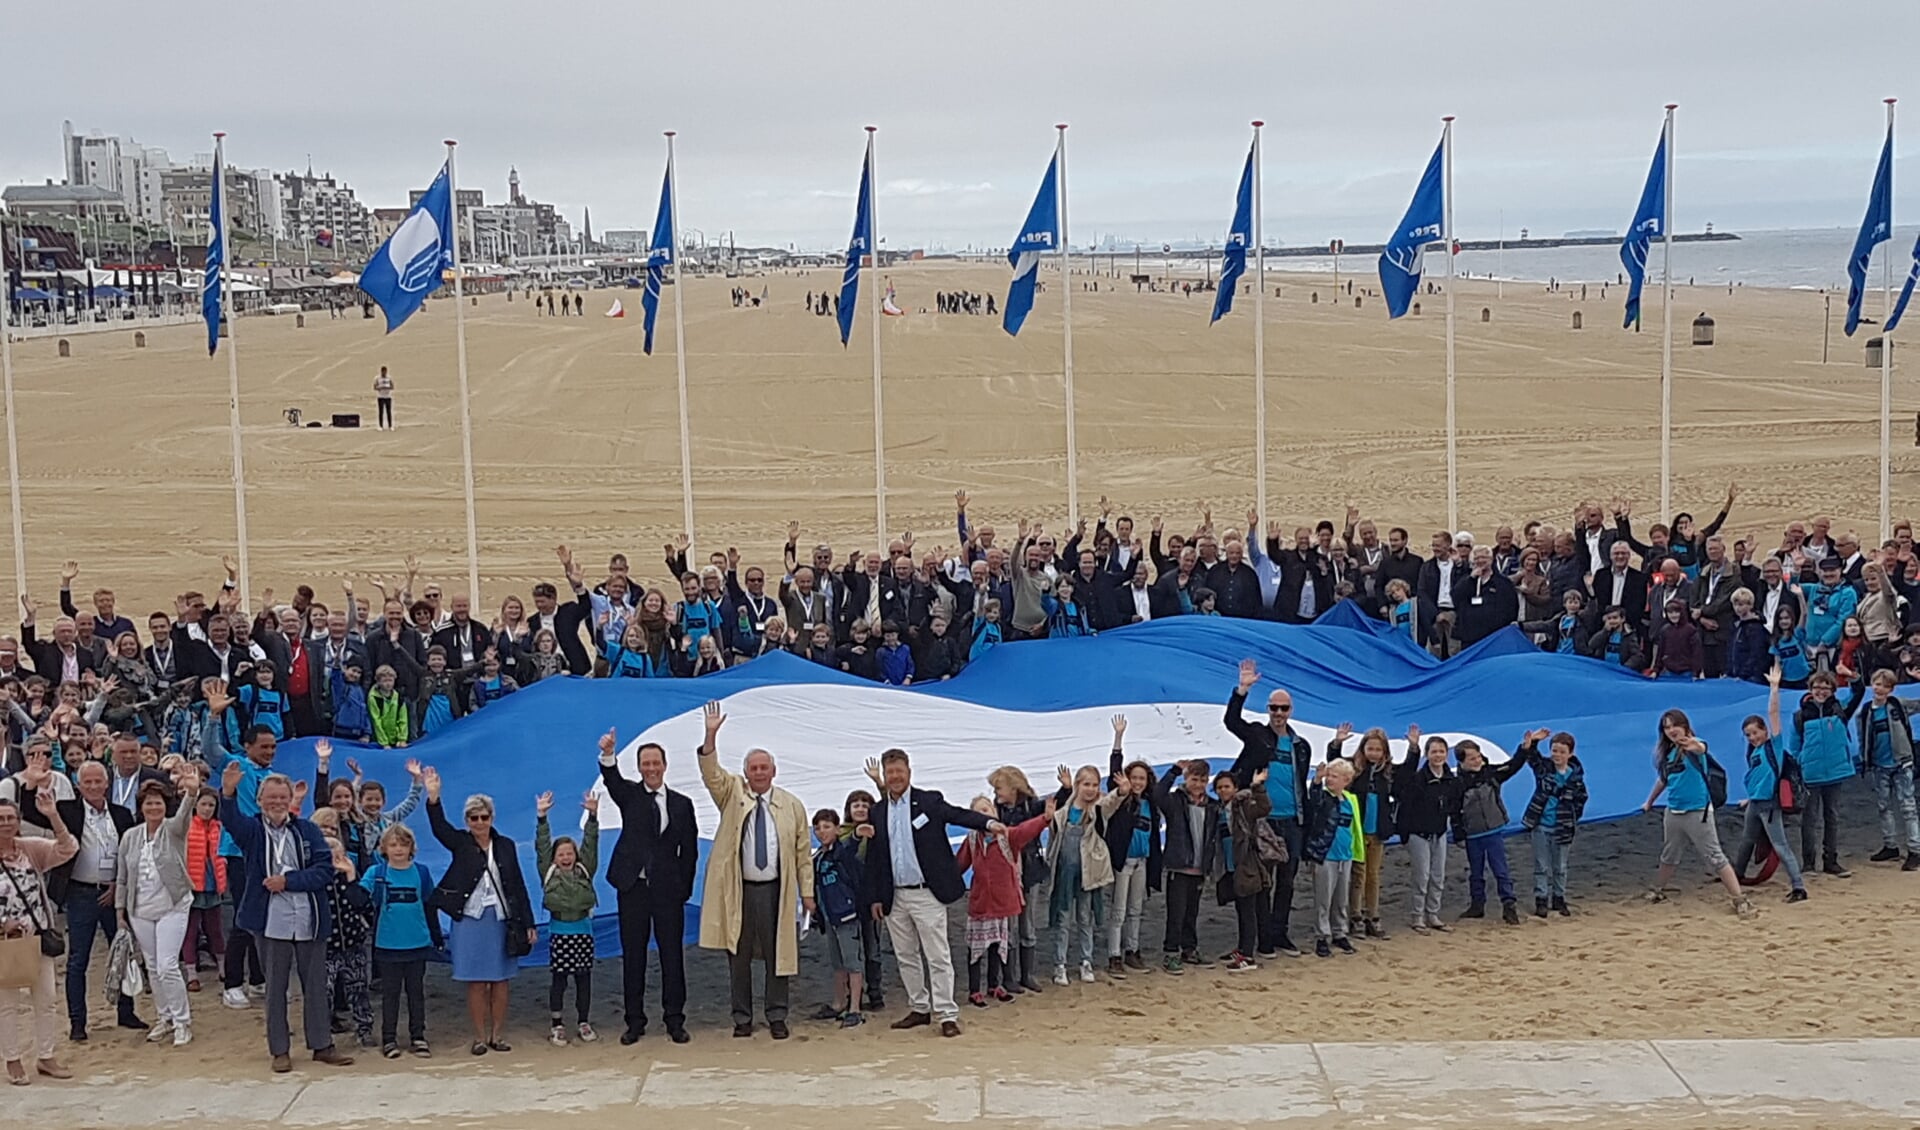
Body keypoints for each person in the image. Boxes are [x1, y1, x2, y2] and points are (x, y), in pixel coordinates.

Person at [218, 761, 355, 1072]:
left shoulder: (307, 829)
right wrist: (227, 792)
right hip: (270, 920)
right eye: (271, 797)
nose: (277, 802)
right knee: (275, 987)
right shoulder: (252, 830)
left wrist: (289, 881)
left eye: (282, 797)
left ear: (291, 800)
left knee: (316, 985)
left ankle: (322, 1045)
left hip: (309, 917)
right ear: (260, 800)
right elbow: (230, 820)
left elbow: (323, 870)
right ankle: (280, 1049)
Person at [859, 746, 1000, 1037]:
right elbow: (875, 858)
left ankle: (947, 1014)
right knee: (906, 955)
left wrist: (987, 822)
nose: (895, 777)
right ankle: (919, 1008)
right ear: (885, 776)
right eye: (890, 772)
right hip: (894, 896)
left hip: (927, 893)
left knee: (938, 955)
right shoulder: (878, 810)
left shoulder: (929, 801)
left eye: (899, 771)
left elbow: (958, 815)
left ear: (909, 772)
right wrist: (875, 896)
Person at [696, 702, 813, 1040]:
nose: (759, 773)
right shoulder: (733, 793)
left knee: (779, 954)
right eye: (754, 768)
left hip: (777, 889)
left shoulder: (792, 805)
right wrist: (710, 736)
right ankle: (742, 1018)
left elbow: (803, 854)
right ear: (746, 771)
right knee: (739, 955)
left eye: (764, 768)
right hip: (740, 889)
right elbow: (710, 774)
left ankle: (777, 1015)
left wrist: (807, 894)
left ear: (773, 771)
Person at [424, 768, 535, 1056]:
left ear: (492, 818)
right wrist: (433, 796)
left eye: (484, 817)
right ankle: (479, 1036)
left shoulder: (506, 845)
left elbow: (518, 885)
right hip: (470, 919)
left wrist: (529, 923)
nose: (479, 822)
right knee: (475, 981)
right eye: (474, 818)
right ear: (467, 820)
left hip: (500, 918)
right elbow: (439, 829)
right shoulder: (461, 843)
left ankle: (497, 1034)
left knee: (500, 979)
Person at [597, 729, 697, 1045]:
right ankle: (635, 1021)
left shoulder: (682, 804)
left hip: (668, 891)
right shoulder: (629, 796)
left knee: (672, 957)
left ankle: (674, 1020)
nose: (651, 768)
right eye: (645, 763)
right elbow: (612, 780)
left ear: (664, 765)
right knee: (634, 957)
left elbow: (690, 852)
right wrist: (609, 754)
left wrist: (684, 889)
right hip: (633, 888)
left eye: (656, 762)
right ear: (639, 767)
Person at [1225, 658, 1312, 958]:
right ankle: (1262, 940)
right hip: (1263, 821)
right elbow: (1231, 723)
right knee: (1262, 882)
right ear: (1267, 710)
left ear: (1291, 711)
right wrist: (1241, 690)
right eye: (1273, 708)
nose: (1278, 713)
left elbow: (1302, 784)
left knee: (1287, 882)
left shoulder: (1302, 745)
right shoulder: (1257, 735)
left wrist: (1306, 822)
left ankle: (1279, 934)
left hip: (1292, 820)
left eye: (1283, 708)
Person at [115, 772, 200, 1048]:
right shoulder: (130, 836)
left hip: (172, 905)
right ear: (141, 807)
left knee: (167, 965)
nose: (153, 808)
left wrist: (191, 792)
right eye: (149, 803)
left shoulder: (174, 830)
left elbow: (185, 815)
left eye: (159, 803)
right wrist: (120, 911)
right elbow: (122, 876)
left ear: (166, 806)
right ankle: (163, 1017)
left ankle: (182, 1020)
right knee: (152, 966)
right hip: (140, 908)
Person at [1642, 710, 1754, 916]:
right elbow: (1663, 779)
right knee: (1669, 854)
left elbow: (1701, 748)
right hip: (1674, 811)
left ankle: (1739, 898)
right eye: (1666, 727)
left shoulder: (1694, 745)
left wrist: (1694, 746)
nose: (1671, 730)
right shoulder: (1668, 753)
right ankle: (1657, 889)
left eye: (1674, 725)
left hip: (1698, 811)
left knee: (1714, 856)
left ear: (1684, 725)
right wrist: (1649, 801)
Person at [0, 788, 77, 1085]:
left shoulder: (28, 848)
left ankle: (45, 1056)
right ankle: (12, 1059)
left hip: (38, 935)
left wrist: (53, 815)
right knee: (7, 1004)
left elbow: (67, 849)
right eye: (1, 818)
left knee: (46, 999)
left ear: (18, 821)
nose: (6, 823)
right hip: (6, 941)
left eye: (11, 818)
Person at [361, 824, 441, 1059]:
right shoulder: (377, 873)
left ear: (411, 848)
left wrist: (436, 937)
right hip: (388, 944)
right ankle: (389, 1039)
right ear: (383, 848)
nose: (398, 849)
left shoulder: (422, 872)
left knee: (416, 992)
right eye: (393, 844)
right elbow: (359, 899)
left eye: (403, 844)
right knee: (390, 994)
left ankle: (418, 1036)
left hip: (417, 942)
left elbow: (429, 905)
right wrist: (349, 875)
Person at [1730, 665, 1809, 901]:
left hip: (1770, 804)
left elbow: (1774, 713)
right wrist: (1749, 797)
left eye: (1756, 732)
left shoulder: (1772, 746)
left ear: (1764, 731)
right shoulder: (1753, 752)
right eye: (1749, 735)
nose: (1753, 737)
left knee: (1781, 845)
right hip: (1756, 802)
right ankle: (1735, 875)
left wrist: (1774, 688)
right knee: (1746, 840)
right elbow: (1758, 777)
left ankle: (1798, 887)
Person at [534, 788, 600, 1047]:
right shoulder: (547, 872)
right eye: (560, 854)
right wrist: (541, 818)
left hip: (583, 931)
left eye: (569, 853)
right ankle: (557, 1024)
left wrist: (592, 816)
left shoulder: (585, 870)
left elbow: (591, 844)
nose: (565, 857)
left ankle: (583, 1021)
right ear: (554, 858)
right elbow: (541, 847)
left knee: (584, 979)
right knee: (559, 980)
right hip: (560, 933)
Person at [1788, 669, 1863, 877]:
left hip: (1835, 773)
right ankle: (1809, 863)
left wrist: (1850, 674)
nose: (1821, 691)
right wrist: (1801, 762)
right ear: (1810, 689)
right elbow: (1794, 746)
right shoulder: (1801, 715)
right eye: (1817, 687)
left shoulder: (1840, 710)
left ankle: (1831, 861)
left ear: (1833, 690)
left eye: (1826, 687)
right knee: (1809, 819)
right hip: (1810, 775)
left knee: (1832, 817)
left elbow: (1859, 691)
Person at [1851, 668, 1920, 870]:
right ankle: (1890, 845)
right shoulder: (1864, 712)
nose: (1879, 688)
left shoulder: (1899, 704)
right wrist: (1865, 761)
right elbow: (1862, 738)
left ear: (1891, 689)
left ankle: (1915, 850)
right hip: (1879, 766)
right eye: (1877, 684)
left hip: (1901, 763)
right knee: (1884, 807)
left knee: (1908, 807)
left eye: (1884, 685)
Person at [1514, 729, 1588, 917]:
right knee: (1541, 865)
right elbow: (1531, 757)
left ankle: (1559, 898)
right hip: (1540, 825)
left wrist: (1570, 817)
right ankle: (1541, 900)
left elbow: (1581, 799)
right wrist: (1534, 742)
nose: (1557, 755)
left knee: (1560, 866)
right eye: (1554, 750)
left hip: (1563, 827)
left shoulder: (1576, 778)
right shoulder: (1545, 769)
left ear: (1570, 754)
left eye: (1562, 752)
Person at [1452, 739, 1524, 924]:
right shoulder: (1457, 784)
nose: (1477, 761)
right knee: (1476, 872)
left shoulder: (1491, 774)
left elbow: (1512, 766)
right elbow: (1454, 812)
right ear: (1461, 762)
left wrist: (1525, 748)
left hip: (1493, 830)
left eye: (1478, 757)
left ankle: (1509, 905)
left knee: (1501, 870)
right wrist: (1459, 835)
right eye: (1472, 759)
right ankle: (1477, 905)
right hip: (1472, 834)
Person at [809, 808, 869, 1025]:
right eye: (817, 827)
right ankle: (839, 1003)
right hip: (829, 917)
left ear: (836, 828)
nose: (822, 831)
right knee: (837, 963)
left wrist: (856, 835)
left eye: (826, 826)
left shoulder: (841, 852)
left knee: (853, 962)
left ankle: (855, 1008)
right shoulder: (818, 858)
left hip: (847, 915)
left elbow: (851, 846)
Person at [1395, 730, 1458, 933]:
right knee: (1421, 876)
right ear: (1427, 754)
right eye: (1434, 752)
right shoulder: (1418, 778)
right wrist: (1404, 833)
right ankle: (1417, 916)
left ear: (1446, 754)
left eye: (1441, 751)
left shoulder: (1451, 779)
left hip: (1439, 833)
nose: (1438, 755)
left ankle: (1433, 914)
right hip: (1418, 833)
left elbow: (1454, 806)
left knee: (1438, 875)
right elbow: (1405, 805)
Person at [1213, 766, 1273, 971]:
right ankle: (1242, 948)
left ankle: (1247, 956)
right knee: (1240, 908)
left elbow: (1263, 808)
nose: (1223, 790)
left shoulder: (1243, 805)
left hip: (1247, 864)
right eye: (1219, 787)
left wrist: (1258, 786)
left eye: (1227, 786)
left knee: (1249, 911)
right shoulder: (1219, 809)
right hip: (1231, 865)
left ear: (1235, 787)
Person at [1301, 758, 1361, 957]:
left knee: (1341, 898)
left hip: (1345, 855)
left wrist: (1355, 851)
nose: (1330, 780)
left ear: (1346, 780)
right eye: (1329, 776)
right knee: (1323, 899)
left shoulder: (1349, 800)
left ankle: (1339, 932)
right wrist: (1317, 780)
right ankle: (1322, 936)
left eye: (1334, 777)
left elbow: (1353, 828)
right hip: (1325, 855)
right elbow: (1314, 799)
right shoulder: (1324, 799)